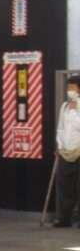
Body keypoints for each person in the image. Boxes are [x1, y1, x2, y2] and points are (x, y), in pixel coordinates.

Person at [54, 75, 80, 227]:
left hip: (79, 151)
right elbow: (60, 128)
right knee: (65, 187)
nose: (69, 91)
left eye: (72, 87)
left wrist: (76, 109)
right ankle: (64, 218)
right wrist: (59, 145)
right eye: (68, 88)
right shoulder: (64, 106)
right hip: (65, 151)